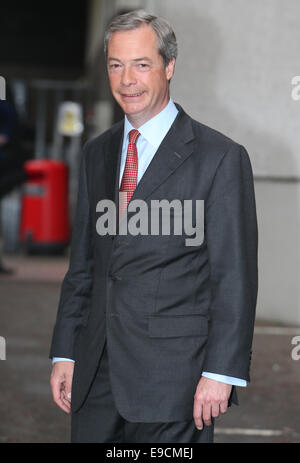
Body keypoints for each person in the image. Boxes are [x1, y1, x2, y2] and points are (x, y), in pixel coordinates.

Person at [49, 10, 258, 443]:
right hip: (95, 379)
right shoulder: (97, 153)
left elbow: (233, 276)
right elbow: (84, 266)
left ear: (169, 66)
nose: (127, 79)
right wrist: (65, 352)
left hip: (174, 381)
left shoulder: (220, 158)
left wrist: (221, 372)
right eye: (115, 64)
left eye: (141, 64)